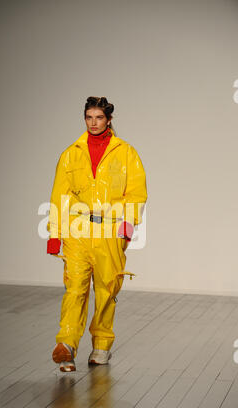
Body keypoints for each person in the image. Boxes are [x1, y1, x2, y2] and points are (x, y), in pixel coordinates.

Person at [46, 96, 147, 372]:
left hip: (110, 231)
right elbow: (60, 195)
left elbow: (136, 193)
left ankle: (101, 345)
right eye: (89, 117)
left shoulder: (126, 153)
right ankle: (66, 346)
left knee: (106, 290)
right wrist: (55, 232)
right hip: (77, 231)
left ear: (109, 120)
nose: (93, 123)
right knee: (74, 288)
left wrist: (127, 227)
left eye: (99, 118)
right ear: (85, 119)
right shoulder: (71, 154)